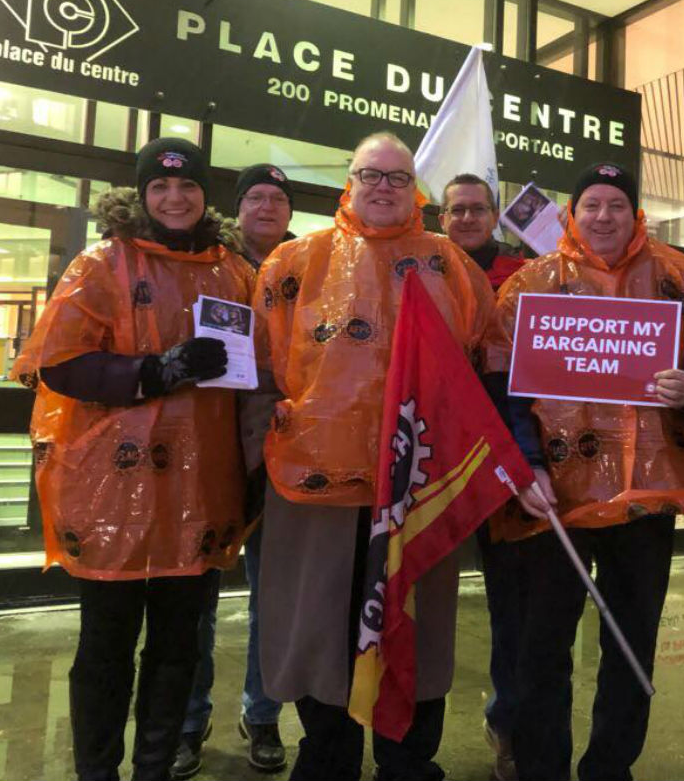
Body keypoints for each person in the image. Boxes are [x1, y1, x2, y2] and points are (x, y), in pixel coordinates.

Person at [484, 162, 684, 781]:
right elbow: (502, 386)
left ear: (635, 213)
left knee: (631, 647)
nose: (604, 216)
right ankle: (541, 765)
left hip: (646, 501)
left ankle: (609, 766)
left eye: (616, 206)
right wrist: (523, 465)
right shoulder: (532, 283)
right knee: (541, 647)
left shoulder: (679, 276)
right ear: (573, 213)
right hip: (554, 497)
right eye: (592, 205)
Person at [253, 132, 496, 781]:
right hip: (317, 490)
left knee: (416, 629)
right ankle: (327, 755)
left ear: (414, 187)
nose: (384, 187)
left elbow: (490, 361)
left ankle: (408, 762)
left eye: (398, 177)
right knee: (321, 629)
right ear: (350, 181)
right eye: (372, 175)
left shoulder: (449, 264)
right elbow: (254, 370)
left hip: (420, 489)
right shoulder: (294, 263)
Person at [11, 137, 255, 781]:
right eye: (160, 187)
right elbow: (59, 362)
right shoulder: (100, 265)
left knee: (179, 647)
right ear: (142, 194)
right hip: (111, 491)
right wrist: (156, 370)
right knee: (106, 645)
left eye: (188, 186)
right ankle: (97, 770)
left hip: (201, 491)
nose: (175, 198)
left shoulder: (233, 270)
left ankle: (155, 766)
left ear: (205, 194)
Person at [173, 164, 297, 779]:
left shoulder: (309, 270)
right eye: (256, 196)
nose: (267, 206)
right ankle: (188, 721)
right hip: (206, 449)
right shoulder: (204, 264)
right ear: (238, 206)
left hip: (279, 455)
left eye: (278, 198)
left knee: (272, 597)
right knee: (192, 596)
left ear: (289, 211)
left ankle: (264, 713)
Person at [436, 172, 525, 781]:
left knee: (513, 605)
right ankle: (406, 734)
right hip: (431, 457)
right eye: (455, 209)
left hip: (504, 457)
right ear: (440, 217)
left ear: (494, 215)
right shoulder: (416, 267)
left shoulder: (527, 274)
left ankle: (509, 723)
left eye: (477, 208)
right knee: (419, 594)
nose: (466, 217)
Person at [439, 173, 525, 290]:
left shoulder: (521, 275)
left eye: (479, 209)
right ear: (442, 221)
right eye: (457, 210)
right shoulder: (424, 271)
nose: (468, 219)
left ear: (495, 218)